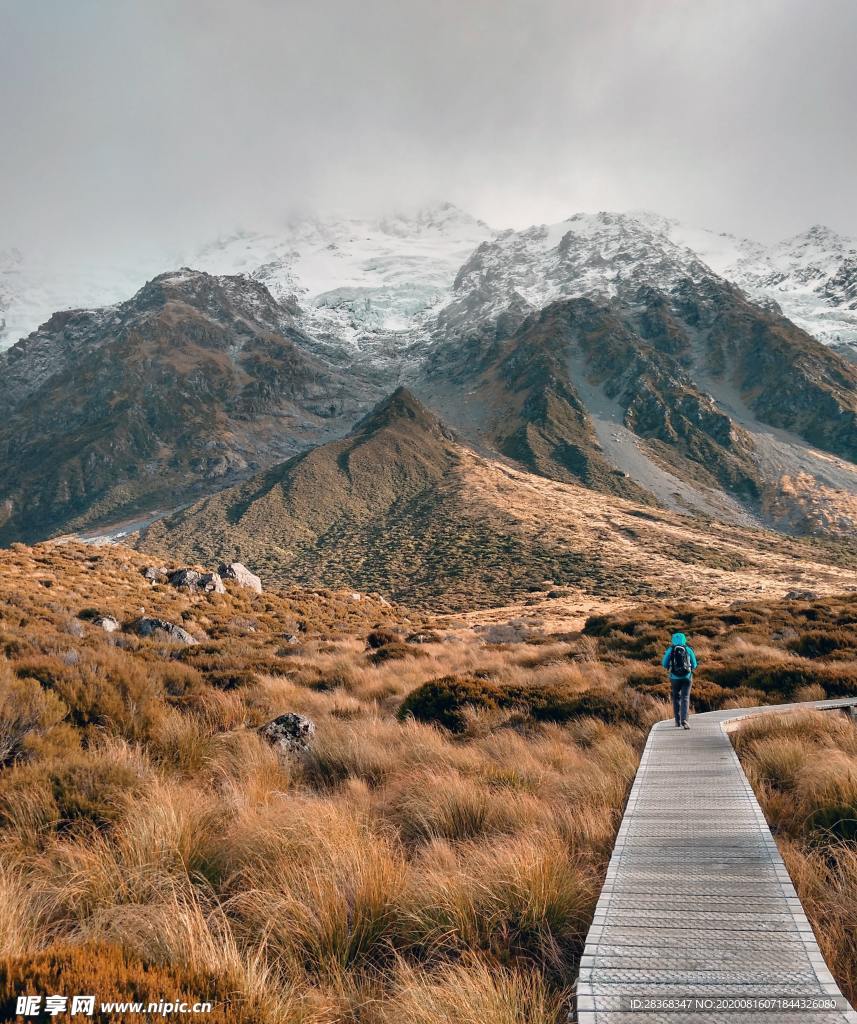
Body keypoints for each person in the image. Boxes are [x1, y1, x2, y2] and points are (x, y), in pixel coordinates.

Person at [662, 631, 698, 729]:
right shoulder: (688, 649)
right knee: (685, 698)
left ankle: (677, 722)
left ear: (673, 640)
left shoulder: (670, 650)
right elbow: (695, 664)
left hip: (674, 678)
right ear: (684, 640)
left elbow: (664, 664)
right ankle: (684, 721)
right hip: (687, 677)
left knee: (676, 698)